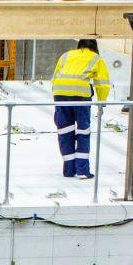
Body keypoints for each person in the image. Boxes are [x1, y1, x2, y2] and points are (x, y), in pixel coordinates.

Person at [49, 38, 111, 180]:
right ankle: (82, 171)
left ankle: (69, 170)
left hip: (60, 94)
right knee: (83, 131)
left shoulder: (66, 55)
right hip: (80, 96)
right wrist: (102, 102)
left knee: (65, 131)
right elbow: (102, 84)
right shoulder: (96, 58)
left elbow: (55, 76)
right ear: (94, 46)